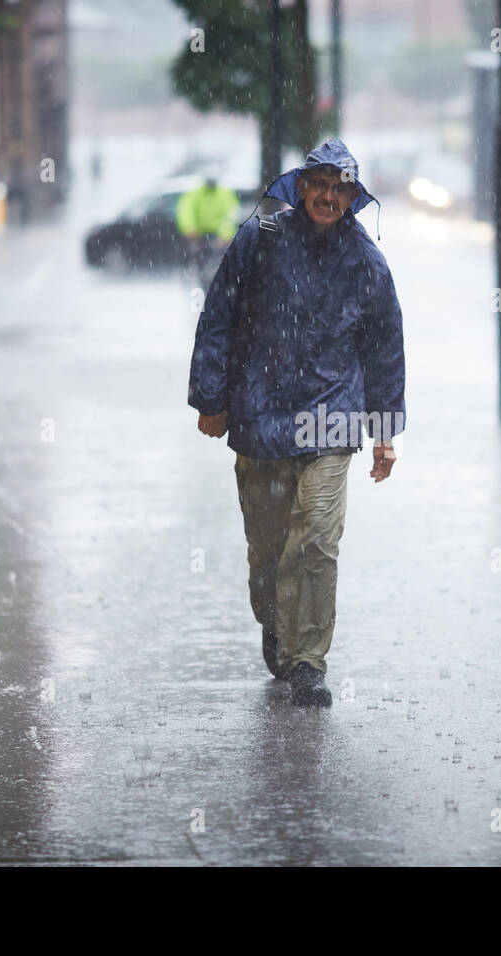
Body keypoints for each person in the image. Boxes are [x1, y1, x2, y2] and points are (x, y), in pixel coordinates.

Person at [188, 140, 406, 708]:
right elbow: (218, 316)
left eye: (341, 189)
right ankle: (277, 624)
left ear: (354, 198)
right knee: (267, 548)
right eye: (320, 185)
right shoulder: (259, 241)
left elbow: (385, 350)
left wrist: (385, 432)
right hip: (261, 415)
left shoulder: (365, 262)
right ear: (301, 186)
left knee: (315, 541)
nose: (328, 197)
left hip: (331, 418)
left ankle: (308, 659)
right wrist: (211, 398)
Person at [175, 177, 239, 276]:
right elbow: (186, 211)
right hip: (199, 235)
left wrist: (225, 235)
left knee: (218, 262)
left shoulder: (225, 194)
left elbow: (231, 215)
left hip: (218, 236)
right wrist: (190, 229)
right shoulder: (194, 194)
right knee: (197, 260)